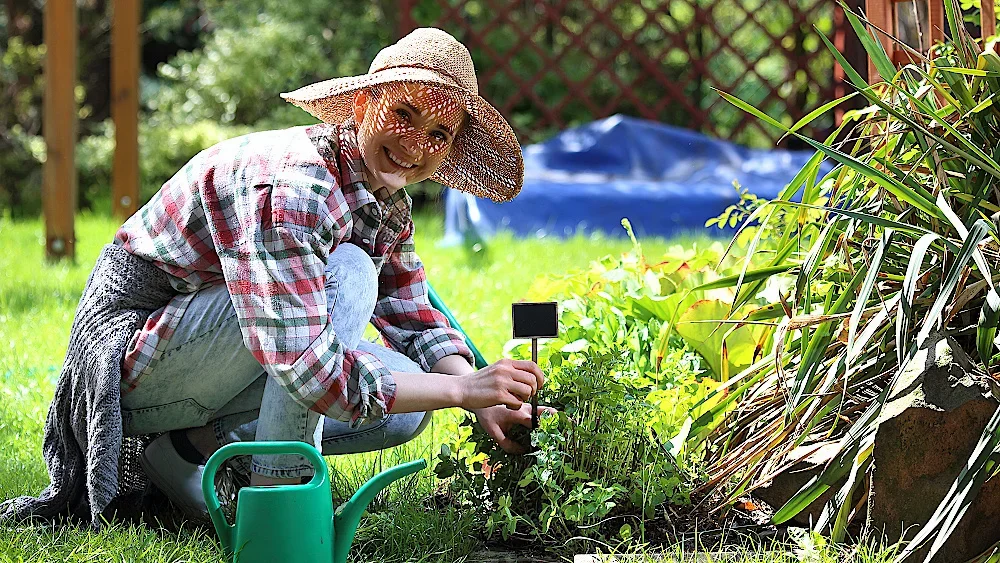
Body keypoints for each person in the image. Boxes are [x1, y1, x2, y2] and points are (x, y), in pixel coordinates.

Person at [2, 27, 550, 524]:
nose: (415, 142)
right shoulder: (297, 185)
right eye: (403, 114)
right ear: (363, 103)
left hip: (214, 354)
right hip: (130, 358)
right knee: (353, 274)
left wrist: (476, 395)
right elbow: (312, 373)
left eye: (439, 133)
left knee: (408, 411)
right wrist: (461, 387)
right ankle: (278, 498)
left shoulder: (384, 201)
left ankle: (182, 455)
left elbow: (411, 308)